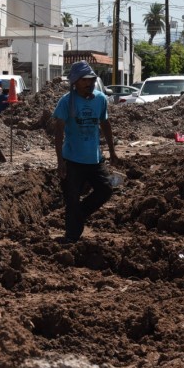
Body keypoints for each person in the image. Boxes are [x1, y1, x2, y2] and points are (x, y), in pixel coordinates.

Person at [52, 61, 119, 243]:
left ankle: (79, 214)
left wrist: (112, 152)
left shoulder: (100, 99)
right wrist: (60, 162)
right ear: (75, 82)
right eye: (85, 80)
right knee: (71, 198)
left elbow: (105, 124)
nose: (89, 83)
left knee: (105, 190)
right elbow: (58, 132)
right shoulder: (66, 101)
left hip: (94, 158)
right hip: (73, 159)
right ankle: (71, 237)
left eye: (91, 80)